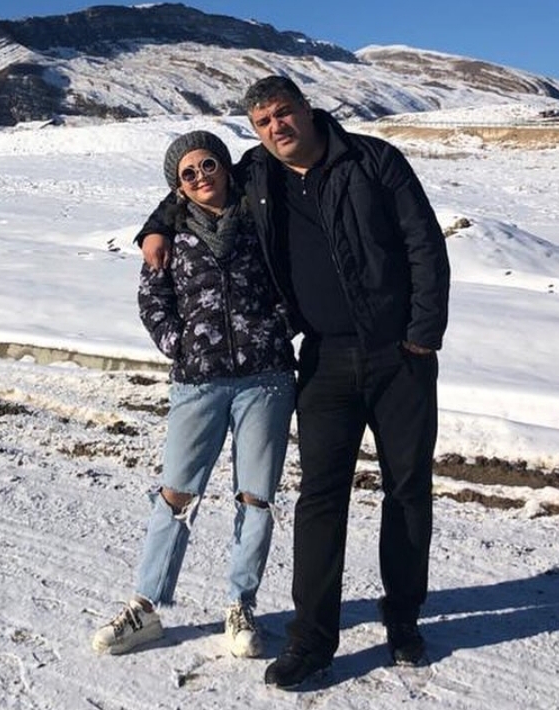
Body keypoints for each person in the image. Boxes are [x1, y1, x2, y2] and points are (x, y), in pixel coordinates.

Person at [138, 76, 450, 688]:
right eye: (262, 122)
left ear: (307, 110)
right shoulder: (259, 173)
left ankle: (403, 617)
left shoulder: (373, 159)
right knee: (320, 498)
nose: (276, 127)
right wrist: (154, 227)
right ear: (255, 131)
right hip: (324, 358)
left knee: (407, 488)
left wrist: (422, 334)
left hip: (400, 354)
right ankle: (312, 639)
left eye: (284, 113)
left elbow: (424, 243)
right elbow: (194, 183)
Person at [91, 130, 297, 659]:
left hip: (266, 378)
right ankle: (145, 605)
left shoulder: (261, 220)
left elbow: (293, 280)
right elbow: (152, 298)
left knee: (256, 496)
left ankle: (241, 605)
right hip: (198, 380)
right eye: (188, 173)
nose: (201, 177)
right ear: (177, 187)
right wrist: (177, 345)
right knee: (177, 493)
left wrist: (277, 329)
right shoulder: (169, 236)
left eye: (208, 165)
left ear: (224, 166)